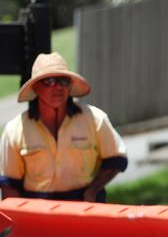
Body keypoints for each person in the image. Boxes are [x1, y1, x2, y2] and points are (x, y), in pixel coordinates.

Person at [0, 52, 128, 202]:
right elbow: (9, 184)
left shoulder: (95, 119)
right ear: (35, 88)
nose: (58, 87)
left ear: (70, 85)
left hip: (86, 211)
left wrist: (93, 190)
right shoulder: (14, 130)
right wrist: (17, 220)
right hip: (38, 215)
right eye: (49, 81)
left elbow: (116, 159)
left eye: (64, 81)